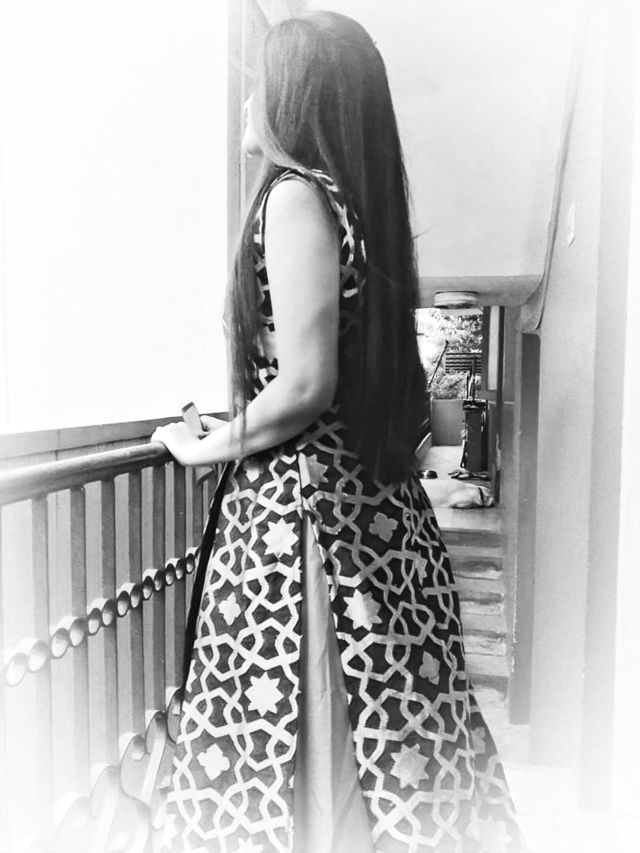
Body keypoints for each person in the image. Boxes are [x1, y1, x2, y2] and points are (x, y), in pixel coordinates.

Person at [153, 11, 526, 853]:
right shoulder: (355, 211)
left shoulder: (294, 197)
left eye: (260, 81)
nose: (247, 99)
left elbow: (305, 383)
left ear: (297, 97)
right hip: (369, 524)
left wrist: (202, 445)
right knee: (378, 751)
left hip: (305, 530)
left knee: (302, 756)